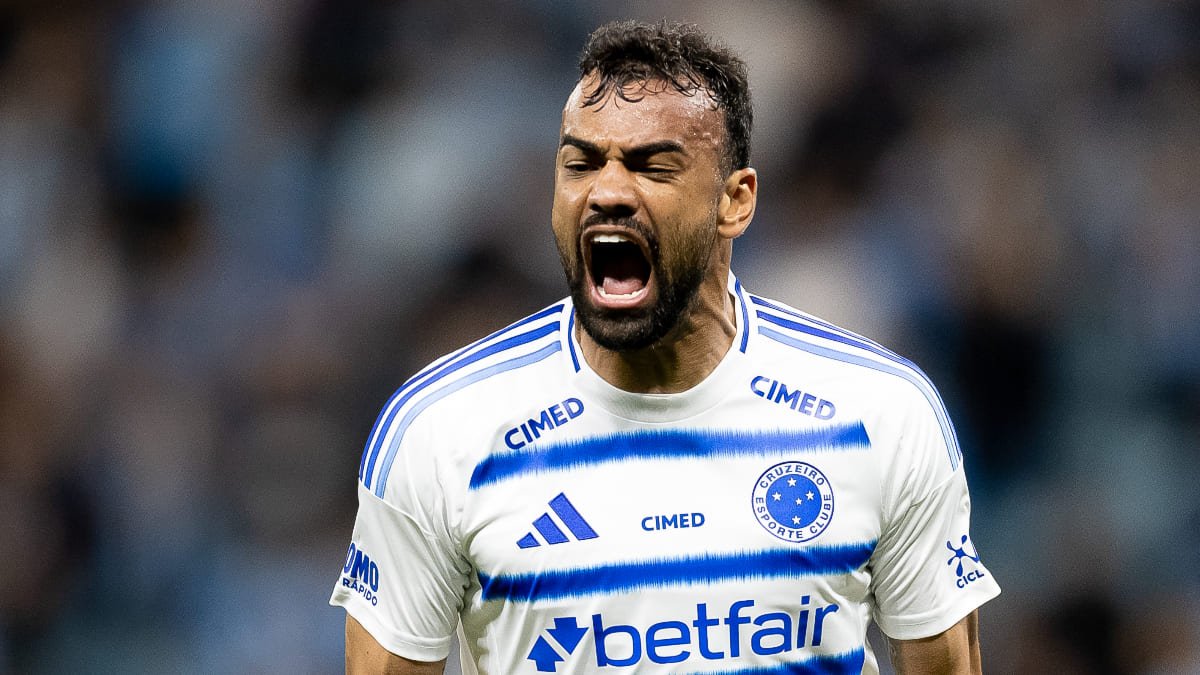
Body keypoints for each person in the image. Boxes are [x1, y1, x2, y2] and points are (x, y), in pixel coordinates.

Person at [332, 19, 1000, 675]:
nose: (609, 192)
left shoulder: (880, 413)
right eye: (581, 162)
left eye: (654, 165)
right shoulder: (441, 431)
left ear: (734, 201)